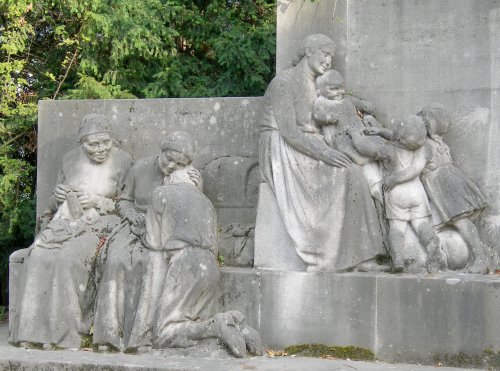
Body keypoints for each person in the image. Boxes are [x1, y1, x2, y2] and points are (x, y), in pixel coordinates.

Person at [258, 34, 385, 272]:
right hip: (282, 145)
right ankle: (323, 254)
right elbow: (288, 132)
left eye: (331, 57)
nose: (328, 61)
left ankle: (362, 257)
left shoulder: (319, 83)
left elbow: (336, 104)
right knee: (339, 175)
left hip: (311, 142)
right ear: (309, 51)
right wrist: (324, 154)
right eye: (325, 54)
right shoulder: (284, 82)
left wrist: (359, 111)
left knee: (355, 172)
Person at [12, 114, 133, 349]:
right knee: (37, 257)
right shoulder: (69, 160)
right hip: (65, 222)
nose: (100, 149)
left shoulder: (124, 161)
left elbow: (126, 204)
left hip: (101, 225)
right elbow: (52, 204)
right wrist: (57, 198)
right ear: (81, 143)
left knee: (67, 260)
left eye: (105, 142)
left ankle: (66, 336)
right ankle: (33, 333)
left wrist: (97, 200)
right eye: (93, 144)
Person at [92, 131, 201, 351]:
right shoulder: (140, 168)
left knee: (152, 266)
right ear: (160, 152)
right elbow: (123, 201)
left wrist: (197, 190)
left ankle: (142, 338)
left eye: (179, 164)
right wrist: (133, 215)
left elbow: (194, 212)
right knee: (116, 261)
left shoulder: (188, 177)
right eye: (168, 159)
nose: (171, 166)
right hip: (133, 227)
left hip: (165, 236)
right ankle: (108, 336)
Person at [350, 115, 446, 273]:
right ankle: (433, 250)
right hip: (416, 192)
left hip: (395, 193)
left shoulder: (388, 150)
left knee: (397, 229)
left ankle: (398, 259)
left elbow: (363, 148)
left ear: (399, 135)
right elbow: (402, 142)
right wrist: (381, 131)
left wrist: (354, 135)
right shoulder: (423, 147)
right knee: (422, 225)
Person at [417, 104, 488, 273]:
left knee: (461, 221)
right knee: (460, 222)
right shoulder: (441, 144)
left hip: (444, 186)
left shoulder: (425, 146)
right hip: (450, 180)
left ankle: (480, 257)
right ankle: (477, 256)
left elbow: (416, 169)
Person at [313, 69, 384, 203]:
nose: (339, 92)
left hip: (359, 129)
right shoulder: (322, 102)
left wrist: (363, 105)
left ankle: (378, 165)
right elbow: (318, 115)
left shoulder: (345, 99)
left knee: (373, 143)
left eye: (341, 88)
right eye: (333, 89)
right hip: (344, 136)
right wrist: (329, 118)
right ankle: (367, 165)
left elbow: (355, 103)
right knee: (359, 151)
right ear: (322, 90)